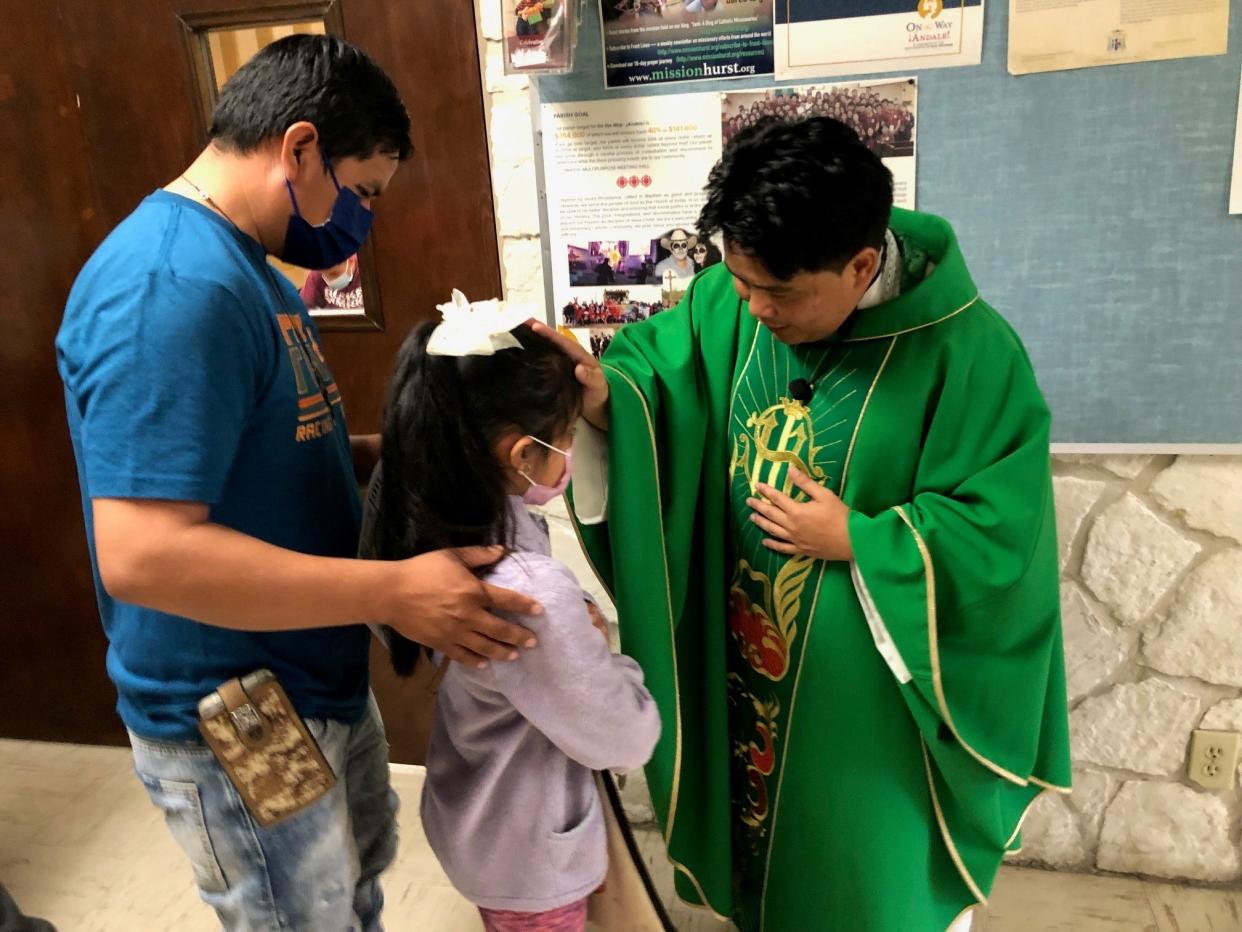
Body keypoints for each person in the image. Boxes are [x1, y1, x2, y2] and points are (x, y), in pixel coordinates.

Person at [55, 35, 540, 932]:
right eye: (359, 192)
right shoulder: (172, 286)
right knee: (296, 918)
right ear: (301, 146)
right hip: (238, 709)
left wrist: (409, 451)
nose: (359, 218)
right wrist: (396, 590)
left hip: (306, 673)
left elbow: (265, 443)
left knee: (347, 893)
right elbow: (144, 553)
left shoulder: (246, 264)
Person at [539, 117, 1071, 931]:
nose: (751, 310)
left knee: (865, 882)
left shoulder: (972, 354)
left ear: (861, 265)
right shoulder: (733, 295)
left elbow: (1003, 531)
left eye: (779, 294)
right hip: (744, 662)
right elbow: (659, 373)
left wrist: (861, 539)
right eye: (740, 282)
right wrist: (611, 398)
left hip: (870, 713)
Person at [361, 293, 661, 932]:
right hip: (531, 853)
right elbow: (623, 737)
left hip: (474, 808)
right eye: (568, 437)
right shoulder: (528, 594)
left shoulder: (413, 494)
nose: (570, 454)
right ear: (520, 454)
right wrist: (617, 664)